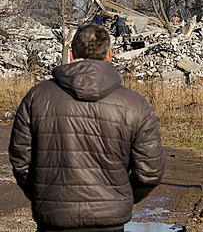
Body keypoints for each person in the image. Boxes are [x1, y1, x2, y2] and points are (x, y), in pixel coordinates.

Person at [9, 24, 165, 232]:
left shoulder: (37, 97)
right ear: (109, 55)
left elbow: (21, 160)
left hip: (53, 219)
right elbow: (150, 171)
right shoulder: (135, 104)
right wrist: (119, 196)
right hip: (109, 220)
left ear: (72, 54)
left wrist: (43, 193)